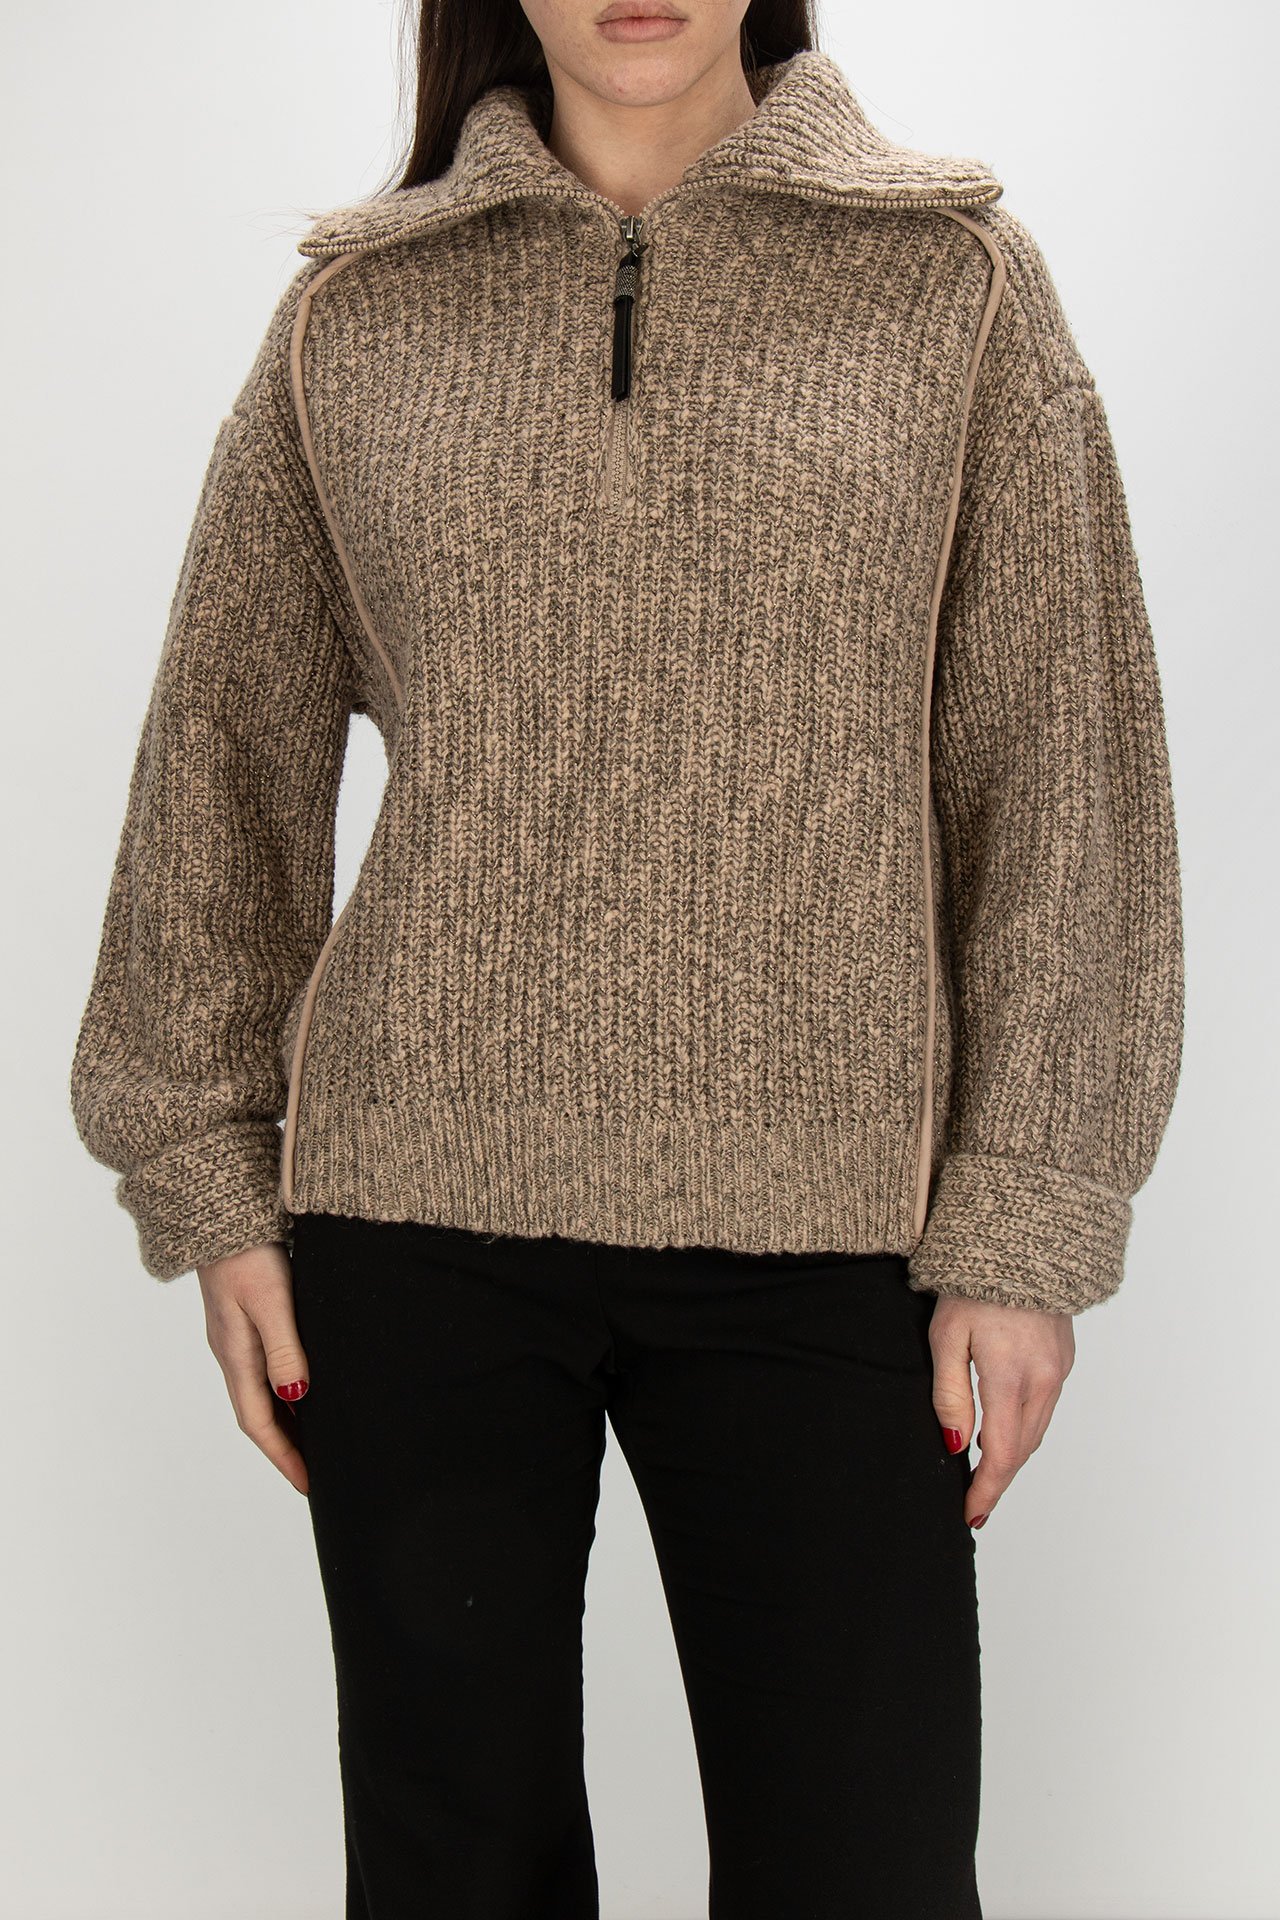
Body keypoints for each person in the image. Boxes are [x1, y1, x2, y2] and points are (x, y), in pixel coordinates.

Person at [67, 0, 1185, 1914]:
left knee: (866, 1872)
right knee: (453, 1878)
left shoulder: (957, 290)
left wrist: (1030, 1220)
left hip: (833, 1225)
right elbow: (221, 764)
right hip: (415, 1230)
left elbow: (1060, 772)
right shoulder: (358, 317)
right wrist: (208, 1178)